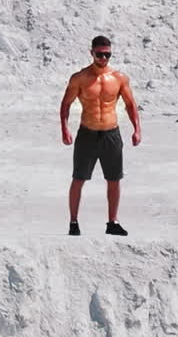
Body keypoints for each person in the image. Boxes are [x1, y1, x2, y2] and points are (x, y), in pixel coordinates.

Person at [59, 35, 142, 235]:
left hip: (111, 134)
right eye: (100, 54)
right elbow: (66, 104)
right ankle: (73, 222)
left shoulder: (119, 78)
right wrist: (64, 128)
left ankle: (112, 222)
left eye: (107, 55)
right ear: (92, 53)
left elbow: (130, 104)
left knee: (114, 179)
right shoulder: (80, 78)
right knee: (79, 178)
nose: (104, 59)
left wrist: (137, 129)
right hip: (87, 133)